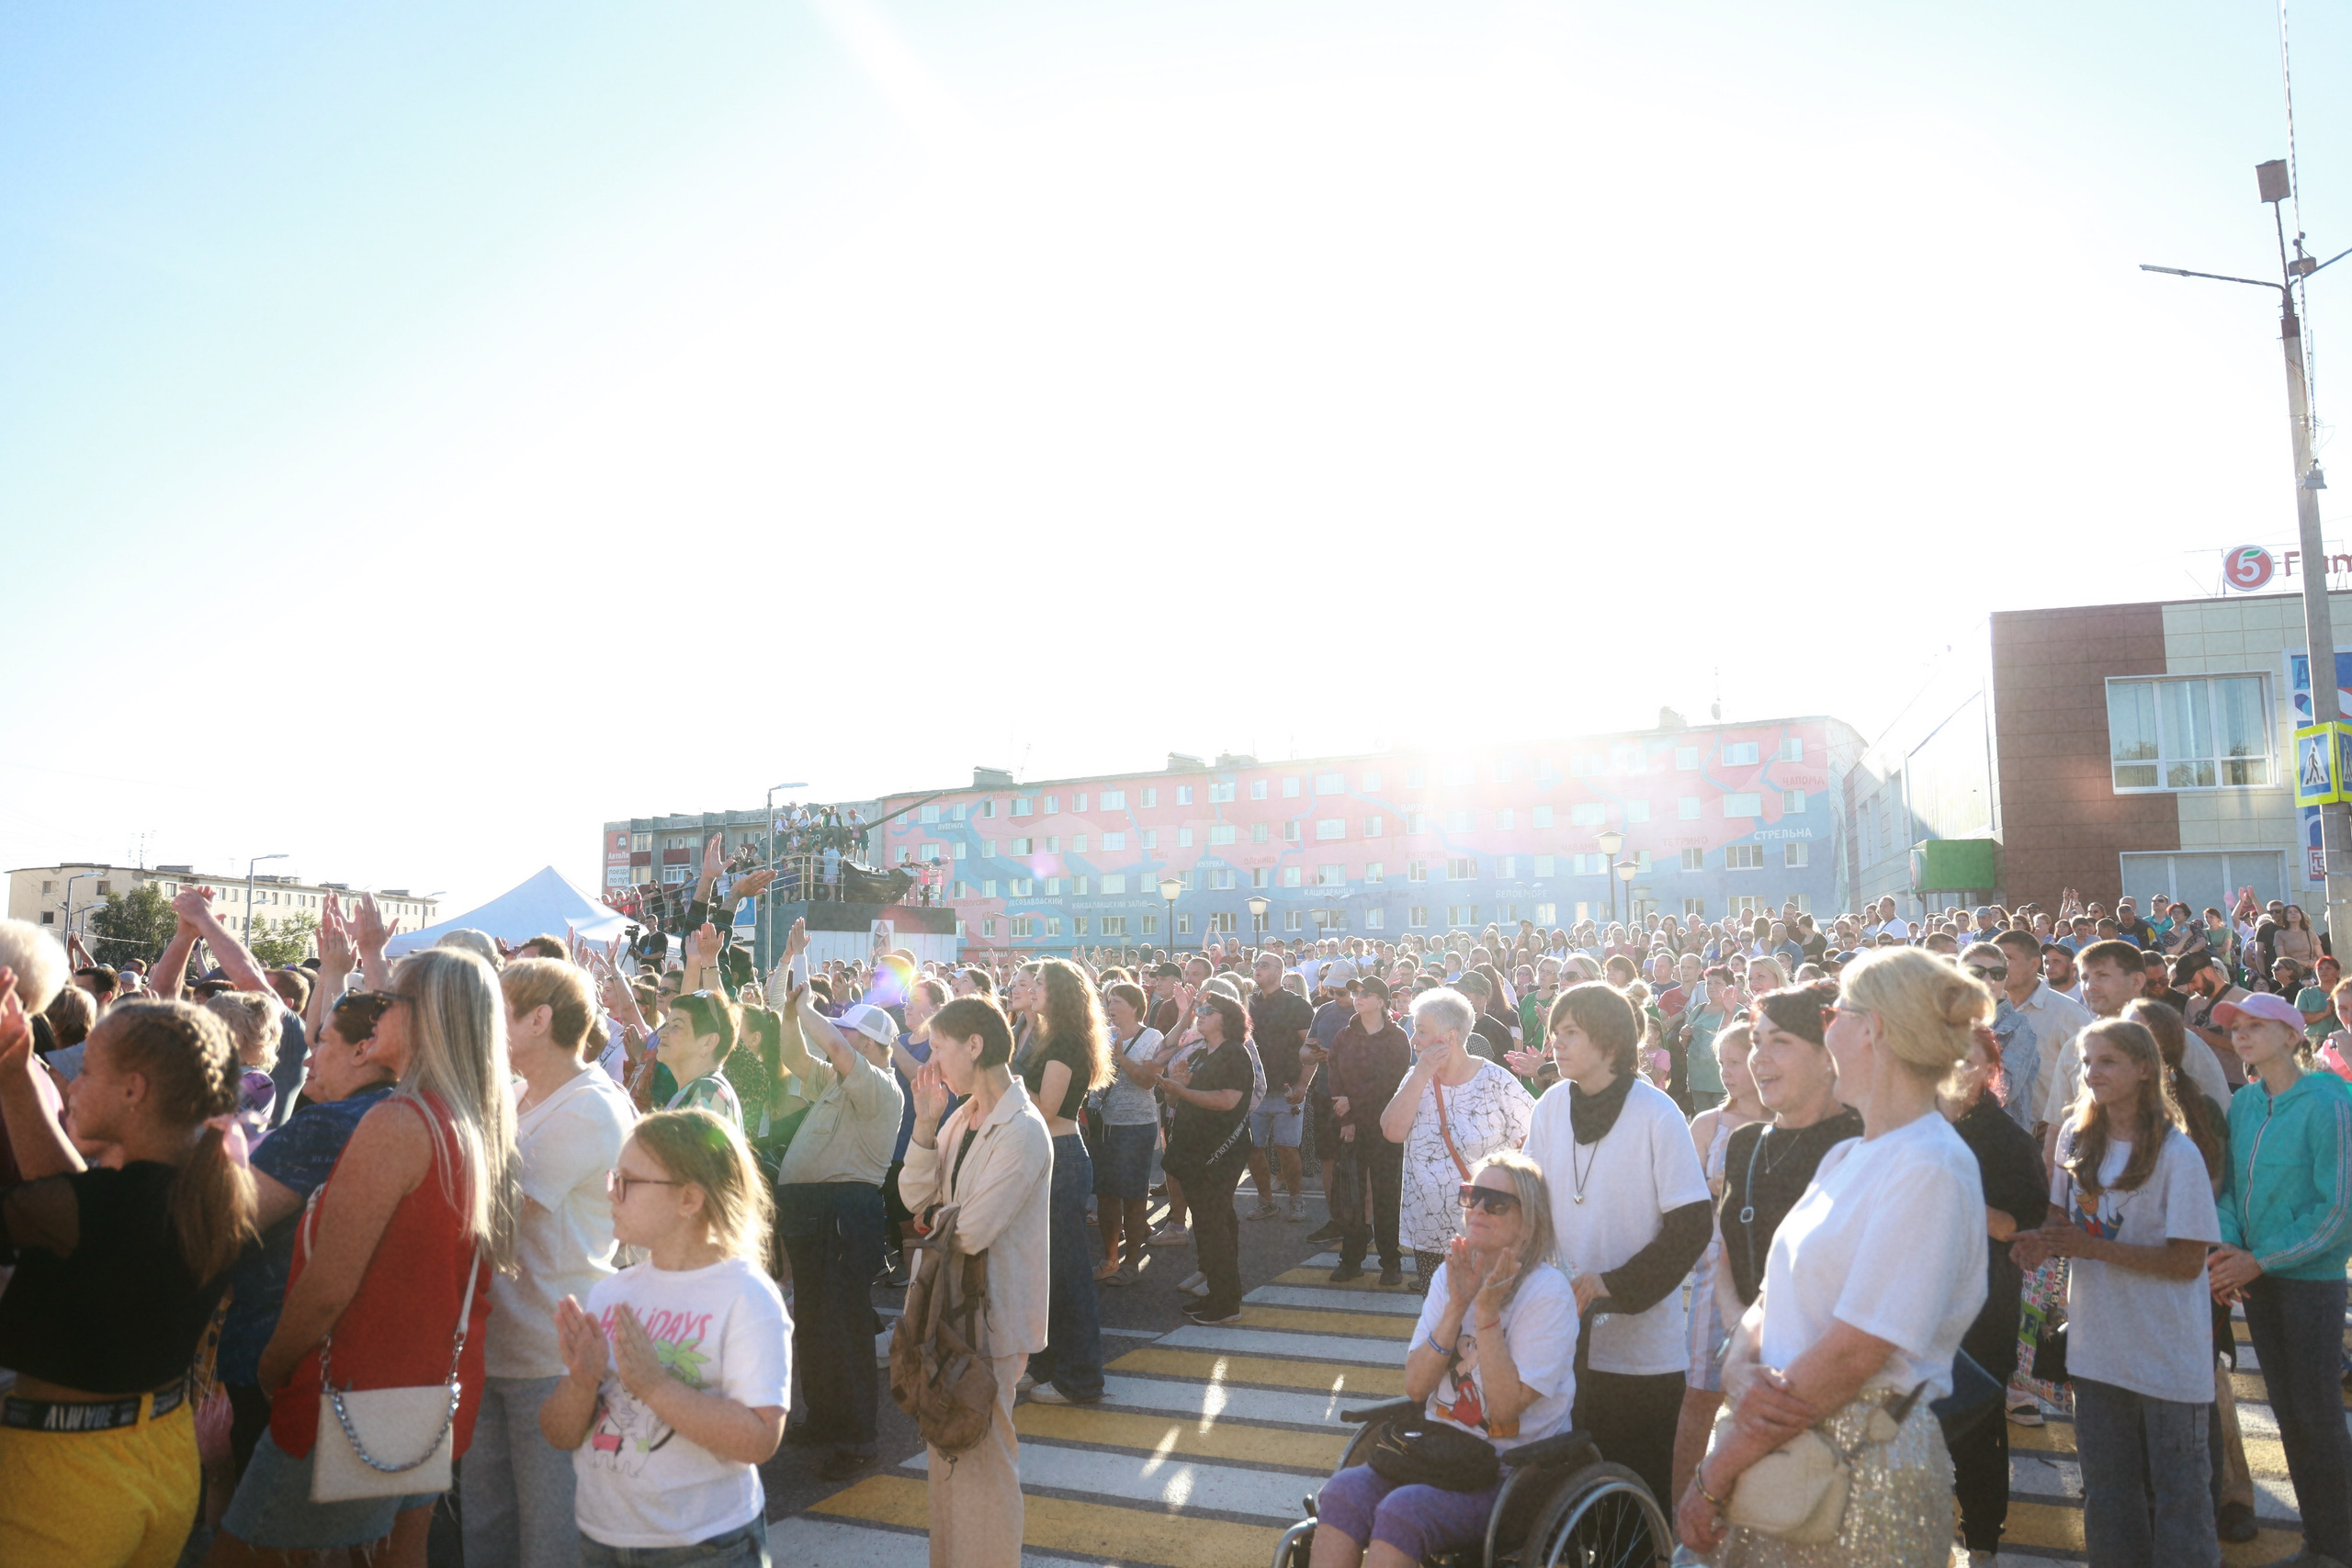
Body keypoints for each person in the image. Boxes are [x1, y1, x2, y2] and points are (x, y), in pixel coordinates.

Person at [1678, 948, 1990, 1566]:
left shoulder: (1929, 1163)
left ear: (1873, 1028)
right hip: (1783, 1455)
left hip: (1856, 1473)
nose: (1827, 1030)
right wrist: (1737, 1364)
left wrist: (1718, 1468)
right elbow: (1773, 1295)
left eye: (1834, 1014)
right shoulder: (1848, 1157)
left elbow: (1854, 1352)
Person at [211, 946, 518, 1567]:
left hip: (346, 1394)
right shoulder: (472, 1124)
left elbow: (329, 1286)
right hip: (421, 1396)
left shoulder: (399, 1122)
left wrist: (272, 1366)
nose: (375, 1011)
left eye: (388, 1001)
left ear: (425, 1016)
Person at [0, 990, 260, 1568]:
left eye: (88, 1071)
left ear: (133, 1090)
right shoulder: (207, 1191)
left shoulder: (96, 1208)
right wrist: (14, 1077)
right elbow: (84, 1205)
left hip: (67, 1479)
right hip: (164, 1456)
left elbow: (77, 1207)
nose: (73, 1085)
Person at [2011, 1018, 2221, 1568]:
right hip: (2096, 1349)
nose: (2091, 1073)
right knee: (2107, 1491)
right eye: (2086, 1061)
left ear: (2145, 1068)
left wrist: (2091, 1247)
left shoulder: (2177, 1154)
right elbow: (2061, 1221)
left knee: (2181, 1494)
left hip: (2167, 1351)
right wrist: (2040, 1242)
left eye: (2106, 1061)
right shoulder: (2076, 1137)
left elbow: (2186, 1263)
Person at [1306, 1152, 1578, 1568]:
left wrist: (1486, 1314)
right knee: (1344, 1491)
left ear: (1529, 1223)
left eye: (1496, 1203)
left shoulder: (1548, 1293)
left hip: (1510, 1473)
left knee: (1402, 1511)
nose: (1479, 1209)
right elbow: (1417, 1387)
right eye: (1472, 1196)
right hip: (1435, 1454)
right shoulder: (1449, 1275)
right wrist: (1457, 1306)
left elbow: (1505, 1410)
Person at [540, 1110, 786, 1568]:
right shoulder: (610, 1292)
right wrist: (581, 1381)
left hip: (705, 1545)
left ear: (689, 1198)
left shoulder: (746, 1295)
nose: (611, 1193)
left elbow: (759, 1439)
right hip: (602, 1538)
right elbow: (558, 1433)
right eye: (614, 1178)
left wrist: (655, 1386)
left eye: (627, 1182)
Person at [465, 959, 637, 1568]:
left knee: (549, 1541)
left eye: (498, 1013)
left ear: (539, 1020)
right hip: (496, 1345)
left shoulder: (592, 1106)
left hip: (551, 1356)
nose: (486, 1027)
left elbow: (499, 1210)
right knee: (486, 1534)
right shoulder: (514, 1094)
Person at [1522, 981, 1712, 1506]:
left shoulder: (1657, 1112)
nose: (1555, 1043)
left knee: (1635, 1499)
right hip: (1561, 1342)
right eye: (1555, 1032)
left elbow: (1691, 1225)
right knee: (1564, 1501)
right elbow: (1530, 1201)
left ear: (1608, 1041)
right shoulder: (1550, 1105)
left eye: (1570, 1032)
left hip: (1641, 1355)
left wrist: (1616, 1285)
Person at [212, 989, 400, 1491]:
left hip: (279, 1351)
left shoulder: (326, 1125)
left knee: (258, 1515)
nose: (310, 1058)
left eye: (324, 1042)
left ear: (363, 1050)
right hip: (372, 1360)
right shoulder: (404, 1112)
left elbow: (227, 1224)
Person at [899, 997, 1052, 1568]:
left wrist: (934, 1218)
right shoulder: (960, 1118)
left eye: (938, 1047)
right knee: (950, 1457)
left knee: (984, 1465)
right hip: (948, 1311)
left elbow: (972, 1230)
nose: (931, 1060)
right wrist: (923, 1125)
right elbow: (914, 1198)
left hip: (991, 1316)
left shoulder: (1023, 1129)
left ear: (975, 1045)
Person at [2207, 990, 2352, 1568]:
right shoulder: (2245, 1104)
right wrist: (2228, 1249)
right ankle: (2319, 1541)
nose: (2241, 1035)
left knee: (2316, 1414)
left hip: (2309, 1281)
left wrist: (2259, 1259)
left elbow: (2338, 1209)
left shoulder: (2330, 1102)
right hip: (2257, 1277)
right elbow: (2228, 1189)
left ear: (2293, 1036)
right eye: (2235, 1027)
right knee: (2289, 1414)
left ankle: (2337, 1545)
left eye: (2256, 1026)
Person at [767, 951, 904, 1482]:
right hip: (816, 1211)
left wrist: (803, 1002)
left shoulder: (880, 1085)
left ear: (867, 1044)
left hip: (844, 1212)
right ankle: (826, 1419)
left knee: (843, 1328)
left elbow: (831, 1048)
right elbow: (794, 1056)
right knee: (816, 1324)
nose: (838, 1036)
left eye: (848, 1032)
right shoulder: (839, 1081)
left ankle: (857, 1438)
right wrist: (789, 1014)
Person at [1942, 1014, 2064, 1565]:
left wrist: (1949, 1191)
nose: (1954, 1068)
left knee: (1977, 1425)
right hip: (1912, 1299)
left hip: (1981, 1303)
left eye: (1968, 1059)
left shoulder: (2007, 1139)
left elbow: (2021, 1225)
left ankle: (1982, 1540)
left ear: (1993, 1068)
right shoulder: (1910, 1125)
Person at [1378, 987, 1534, 1296]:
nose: (1414, 1039)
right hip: (1430, 1232)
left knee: (1485, 1314)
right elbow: (1392, 1132)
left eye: (1421, 1031)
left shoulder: (1495, 1080)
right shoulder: (1415, 1077)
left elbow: (1533, 1139)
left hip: (1487, 1230)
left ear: (1449, 1038)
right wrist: (1421, 1074)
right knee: (1439, 1314)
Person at [1669, 1021, 1767, 1506]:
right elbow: (1686, 1199)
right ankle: (1679, 1508)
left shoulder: (1789, 1124)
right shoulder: (1709, 1123)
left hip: (1769, 1271)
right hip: (1714, 1268)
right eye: (1722, 1062)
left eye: (1737, 1062)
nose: (1727, 1072)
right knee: (1700, 1395)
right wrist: (1715, 1186)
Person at [1018, 957, 1111, 1405]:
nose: (1031, 988)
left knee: (1067, 1274)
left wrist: (1007, 1078)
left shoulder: (1067, 1041)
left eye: (1039, 983)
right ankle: (1047, 1365)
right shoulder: (1046, 1035)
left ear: (1058, 992)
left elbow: (1047, 1108)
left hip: (1062, 1157)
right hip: (1045, 1157)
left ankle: (1081, 1378)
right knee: (1043, 1273)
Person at [1160, 988, 1256, 1324]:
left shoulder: (1234, 1053)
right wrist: (1176, 1089)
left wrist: (1184, 1091)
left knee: (1213, 1223)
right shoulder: (1203, 1053)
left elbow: (1228, 1100)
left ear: (1227, 1019)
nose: (1199, 1015)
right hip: (1196, 1150)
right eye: (1199, 1010)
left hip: (1219, 1151)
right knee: (1209, 1222)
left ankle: (1226, 1303)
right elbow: (1177, 1101)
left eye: (1208, 1010)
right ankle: (1217, 1292)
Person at [1326, 974, 1412, 1287]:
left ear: (1380, 1001)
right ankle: (1351, 1261)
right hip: (1352, 1126)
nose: (1357, 997)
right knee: (1351, 1195)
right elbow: (1334, 1075)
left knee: (1386, 1195)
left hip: (1385, 1126)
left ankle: (1391, 1262)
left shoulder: (1397, 1037)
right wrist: (1347, 1119)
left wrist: (1353, 1102)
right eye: (1355, 992)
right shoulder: (1345, 1035)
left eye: (1365, 993)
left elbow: (1391, 1084)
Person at [1094, 981, 1165, 1284]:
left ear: (1135, 1006)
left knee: (1135, 1196)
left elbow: (1149, 1081)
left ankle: (1132, 1262)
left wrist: (1121, 1057)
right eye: (1109, 1001)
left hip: (1137, 1126)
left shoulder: (1152, 1037)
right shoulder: (1102, 1035)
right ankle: (1110, 1259)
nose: (1110, 1007)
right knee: (1106, 1196)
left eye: (1117, 1001)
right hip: (1105, 1125)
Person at [1245, 951, 1315, 1221]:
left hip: (1287, 1091)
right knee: (1253, 1149)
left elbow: (1311, 1048)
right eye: (1256, 964)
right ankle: (1266, 1201)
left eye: (1264, 965)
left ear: (1278, 971)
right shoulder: (1248, 1003)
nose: (1257, 969)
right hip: (1255, 1091)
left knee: (1287, 1149)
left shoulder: (1296, 1004)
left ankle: (1296, 1201)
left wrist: (1303, 1084)